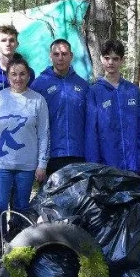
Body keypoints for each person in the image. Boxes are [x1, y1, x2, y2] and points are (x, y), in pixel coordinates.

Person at [0, 56, 50, 239]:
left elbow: (43, 134)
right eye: (14, 74)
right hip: (1, 164)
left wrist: (42, 164)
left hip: (27, 166)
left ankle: (18, 244)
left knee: (21, 207)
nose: (18, 78)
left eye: (22, 74)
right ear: (7, 76)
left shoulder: (38, 100)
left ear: (28, 76)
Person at [30, 38, 89, 178]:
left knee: (78, 198)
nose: (60, 58)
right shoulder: (39, 85)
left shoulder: (83, 85)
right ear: (50, 56)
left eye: (64, 53)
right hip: (50, 154)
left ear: (71, 56)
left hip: (78, 153)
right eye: (56, 54)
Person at [85, 39, 140, 173]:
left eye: (115, 58)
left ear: (122, 60)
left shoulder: (133, 91)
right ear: (101, 59)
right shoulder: (94, 91)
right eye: (107, 58)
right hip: (107, 164)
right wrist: (94, 166)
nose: (111, 62)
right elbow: (91, 132)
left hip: (132, 164)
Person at [0, 24, 35, 92]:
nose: (8, 44)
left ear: (17, 44)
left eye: (11, 40)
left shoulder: (28, 72)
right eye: (3, 40)